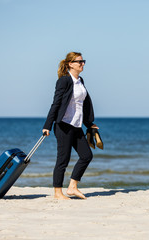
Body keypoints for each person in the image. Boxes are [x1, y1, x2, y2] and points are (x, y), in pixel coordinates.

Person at [42, 52, 99, 200]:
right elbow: (56, 103)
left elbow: (83, 105)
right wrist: (47, 125)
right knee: (63, 159)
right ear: (70, 64)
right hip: (64, 125)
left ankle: (72, 186)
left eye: (83, 61)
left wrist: (89, 124)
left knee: (86, 156)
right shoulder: (64, 81)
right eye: (79, 62)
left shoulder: (81, 81)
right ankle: (57, 192)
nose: (83, 64)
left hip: (77, 126)